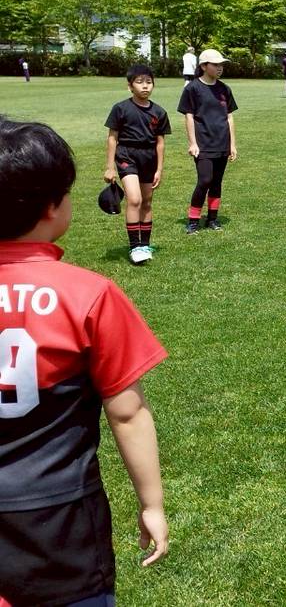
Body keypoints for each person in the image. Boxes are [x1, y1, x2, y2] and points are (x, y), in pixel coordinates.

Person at [0, 118, 168, 605]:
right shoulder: (89, 295)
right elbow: (127, 412)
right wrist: (152, 503)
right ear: (53, 207)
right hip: (59, 519)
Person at [104, 64, 171, 264]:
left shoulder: (159, 112)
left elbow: (160, 143)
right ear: (130, 86)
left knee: (147, 202)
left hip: (149, 158)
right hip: (126, 155)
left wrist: (159, 169)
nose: (145, 86)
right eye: (140, 82)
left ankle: (144, 245)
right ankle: (135, 247)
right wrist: (110, 167)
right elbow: (112, 138)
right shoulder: (120, 108)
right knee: (134, 200)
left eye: (149, 82)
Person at [177, 49, 238, 235]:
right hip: (203, 143)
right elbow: (188, 116)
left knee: (217, 182)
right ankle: (193, 220)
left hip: (222, 142)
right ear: (204, 66)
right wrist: (192, 143)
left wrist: (232, 144)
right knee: (204, 180)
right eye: (215, 65)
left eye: (221, 65)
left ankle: (212, 218)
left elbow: (229, 117)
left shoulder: (224, 89)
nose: (220, 68)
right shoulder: (193, 88)